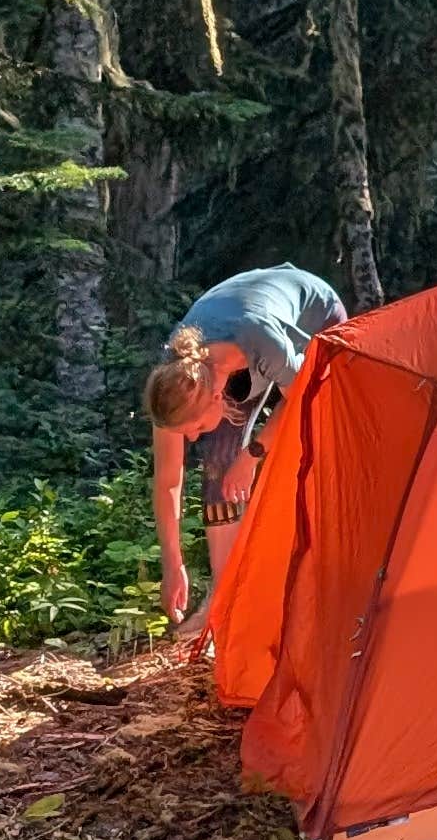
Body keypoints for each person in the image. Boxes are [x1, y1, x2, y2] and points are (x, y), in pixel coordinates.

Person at [144, 263, 346, 630]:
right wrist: (173, 565)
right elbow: (168, 480)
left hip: (317, 318)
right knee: (219, 462)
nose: (191, 438)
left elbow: (303, 403)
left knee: (310, 443)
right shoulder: (175, 376)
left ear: (214, 398)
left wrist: (253, 454)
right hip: (234, 342)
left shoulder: (262, 340)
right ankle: (223, 602)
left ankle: (315, 584)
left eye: (195, 428)